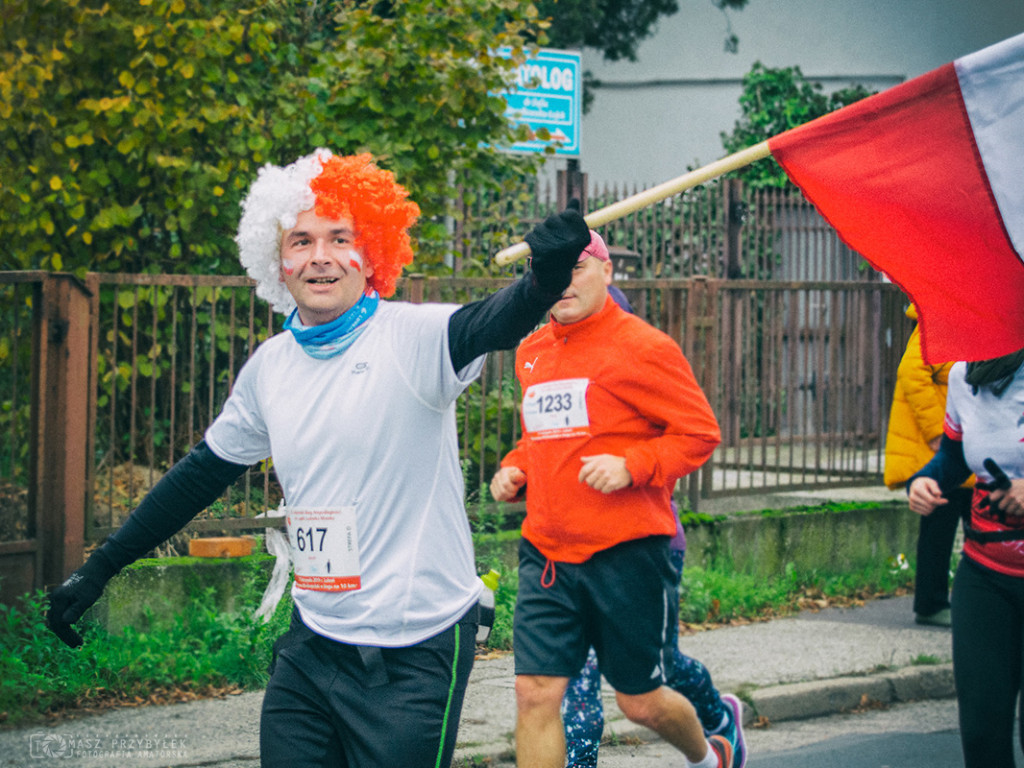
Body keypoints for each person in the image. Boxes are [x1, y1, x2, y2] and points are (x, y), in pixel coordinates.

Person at [47, 149, 593, 768]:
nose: (321, 257)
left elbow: (495, 322)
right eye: (301, 241)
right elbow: (198, 477)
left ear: (373, 254)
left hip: (414, 652)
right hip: (313, 646)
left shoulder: (411, 339)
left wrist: (544, 280)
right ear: (277, 262)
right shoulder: (270, 369)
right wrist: (101, 568)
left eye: (341, 237)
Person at [490, 229, 734, 768]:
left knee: (639, 702)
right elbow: (542, 440)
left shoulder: (643, 347)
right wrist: (514, 469)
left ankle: (710, 754)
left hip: (626, 554)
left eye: (577, 267)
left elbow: (700, 433)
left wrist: (633, 466)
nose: (564, 282)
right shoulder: (531, 352)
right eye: (551, 272)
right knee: (535, 694)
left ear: (607, 271)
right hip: (548, 554)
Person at [561, 266, 746, 768]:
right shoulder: (557, 378)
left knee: (661, 670)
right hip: (570, 557)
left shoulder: (640, 376)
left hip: (642, 552)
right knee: (574, 697)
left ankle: (717, 717)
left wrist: (630, 466)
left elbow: (693, 439)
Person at [908, 346, 1024, 768]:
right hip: (985, 574)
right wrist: (925, 481)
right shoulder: (962, 375)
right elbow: (955, 458)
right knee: (981, 732)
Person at [883, 303, 973, 626]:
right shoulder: (940, 321)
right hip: (945, 447)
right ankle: (932, 604)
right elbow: (911, 372)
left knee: (966, 525)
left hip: (963, 445)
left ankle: (946, 603)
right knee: (941, 524)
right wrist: (939, 433)